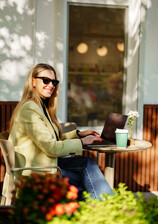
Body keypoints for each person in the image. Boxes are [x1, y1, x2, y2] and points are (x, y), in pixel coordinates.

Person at [7, 63, 113, 200]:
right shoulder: (30, 109)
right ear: (33, 81)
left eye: (54, 82)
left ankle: (107, 206)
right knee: (86, 182)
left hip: (48, 163)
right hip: (36, 171)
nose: (51, 85)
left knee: (87, 164)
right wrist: (81, 142)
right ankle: (108, 208)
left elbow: (52, 139)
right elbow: (51, 148)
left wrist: (78, 134)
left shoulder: (40, 107)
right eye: (45, 80)